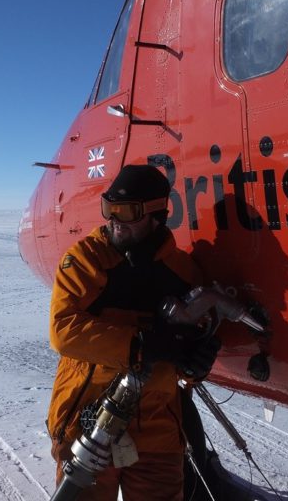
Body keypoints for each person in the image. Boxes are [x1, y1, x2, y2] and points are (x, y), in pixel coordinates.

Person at [47, 164, 221, 501]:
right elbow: (64, 330)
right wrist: (140, 346)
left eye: (126, 212)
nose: (113, 219)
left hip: (158, 429)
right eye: (108, 208)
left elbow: (187, 346)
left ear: (156, 215)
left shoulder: (183, 272)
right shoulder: (86, 260)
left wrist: (196, 364)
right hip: (90, 420)